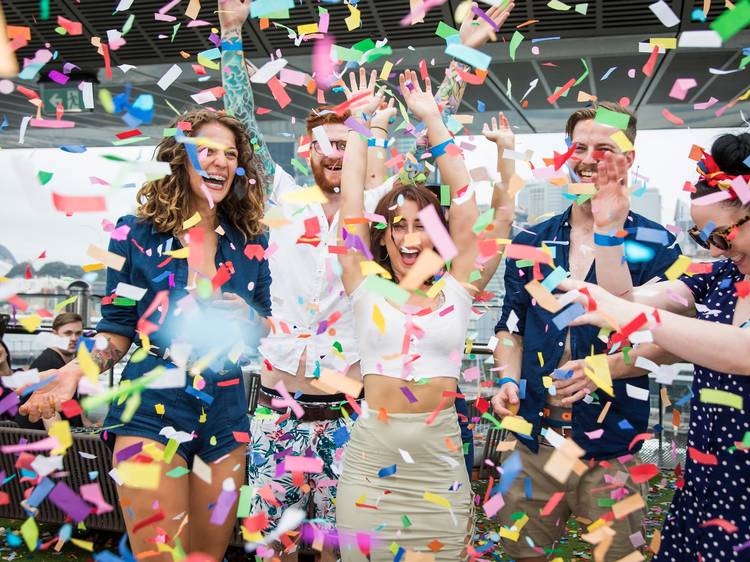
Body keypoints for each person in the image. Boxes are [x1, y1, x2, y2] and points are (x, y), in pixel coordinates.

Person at [218, 0, 513, 558]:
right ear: (307, 149)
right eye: (324, 143)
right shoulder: (277, 198)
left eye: (343, 141)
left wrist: (464, 50)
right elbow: (245, 130)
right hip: (276, 410)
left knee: (343, 550)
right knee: (271, 550)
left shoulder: (378, 214)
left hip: (355, 419)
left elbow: (430, 151)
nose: (334, 153)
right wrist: (232, 36)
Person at [19, 108, 271, 561]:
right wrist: (75, 371)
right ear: (182, 158)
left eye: (229, 155)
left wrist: (249, 321)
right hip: (150, 410)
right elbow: (116, 330)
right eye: (206, 151)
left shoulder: (252, 238)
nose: (218, 162)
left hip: (226, 416)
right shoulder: (133, 234)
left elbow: (264, 323)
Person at [490, 101, 682, 562]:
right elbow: (511, 327)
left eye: (605, 147)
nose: (589, 157)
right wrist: (505, 379)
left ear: (628, 157)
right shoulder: (532, 240)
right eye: (580, 146)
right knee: (523, 556)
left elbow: (669, 344)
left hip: (615, 448)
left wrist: (605, 367)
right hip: (533, 439)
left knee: (618, 557)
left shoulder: (658, 243)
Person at [558, 132, 750, 562]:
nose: (717, 249)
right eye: (704, 240)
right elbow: (624, 303)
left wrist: (630, 317)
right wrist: (608, 232)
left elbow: (742, 352)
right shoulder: (716, 278)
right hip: (710, 474)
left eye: (722, 235)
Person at [335, 70, 490, 561]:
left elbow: (465, 199)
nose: (408, 238)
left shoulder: (458, 287)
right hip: (370, 460)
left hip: (438, 462)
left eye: (421, 226)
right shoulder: (365, 284)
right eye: (397, 226)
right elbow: (352, 200)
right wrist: (360, 128)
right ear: (382, 236)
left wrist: (432, 119)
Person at [16, 312, 85, 429]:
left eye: (78, 333)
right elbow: (49, 416)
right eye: (68, 333)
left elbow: (71, 405)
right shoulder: (49, 363)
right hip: (40, 439)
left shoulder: (64, 364)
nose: (74, 338)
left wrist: (86, 425)